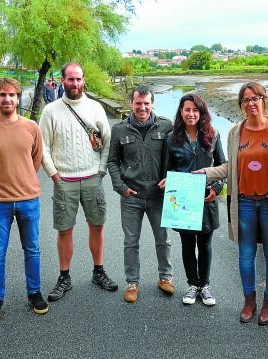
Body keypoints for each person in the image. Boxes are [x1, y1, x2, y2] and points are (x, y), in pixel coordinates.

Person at [199, 82, 268, 324]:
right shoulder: (235, 132)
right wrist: (206, 172)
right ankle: (249, 300)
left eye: (254, 98)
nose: (250, 103)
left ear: (264, 99)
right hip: (245, 203)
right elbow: (232, 167)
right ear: (241, 104)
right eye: (245, 100)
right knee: (246, 253)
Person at [0, 77, 48, 324]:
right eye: (3, 95)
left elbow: (36, 158)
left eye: (12, 95)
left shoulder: (31, 127)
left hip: (28, 200)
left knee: (32, 249)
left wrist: (23, 179)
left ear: (18, 97)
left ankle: (34, 293)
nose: (7, 99)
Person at [38, 62, 117, 302]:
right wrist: (54, 175)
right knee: (65, 229)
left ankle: (98, 270)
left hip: (92, 177)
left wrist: (101, 170)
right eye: (70, 79)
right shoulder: (51, 111)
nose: (75, 84)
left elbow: (108, 141)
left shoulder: (95, 108)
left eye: (78, 79)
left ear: (84, 81)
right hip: (65, 180)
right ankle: (64, 277)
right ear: (62, 81)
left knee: (97, 225)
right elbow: (43, 147)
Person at [107, 85, 174, 303]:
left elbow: (173, 157)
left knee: (163, 239)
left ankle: (165, 277)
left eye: (146, 103)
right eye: (138, 103)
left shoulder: (166, 126)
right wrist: (121, 187)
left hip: (158, 195)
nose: (142, 107)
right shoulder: (119, 130)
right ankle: (132, 282)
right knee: (131, 241)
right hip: (131, 196)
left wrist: (170, 180)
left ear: (152, 103)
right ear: (131, 104)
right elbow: (112, 161)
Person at [159, 93, 226, 306]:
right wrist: (166, 183)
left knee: (205, 244)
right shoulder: (171, 138)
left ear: (201, 112)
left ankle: (205, 285)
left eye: (195, 110)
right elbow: (167, 170)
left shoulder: (213, 136)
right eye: (187, 109)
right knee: (187, 244)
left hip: (207, 199)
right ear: (181, 112)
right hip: (182, 201)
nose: (191, 114)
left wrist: (216, 188)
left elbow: (222, 167)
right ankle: (192, 284)